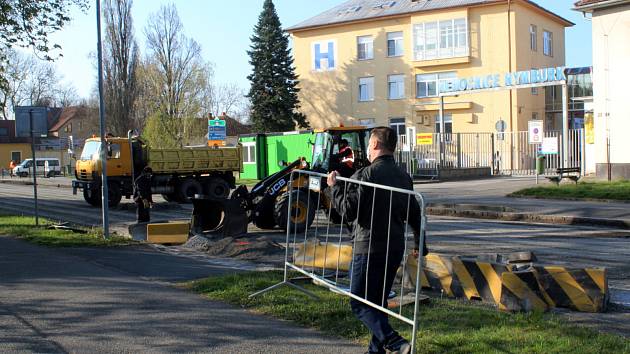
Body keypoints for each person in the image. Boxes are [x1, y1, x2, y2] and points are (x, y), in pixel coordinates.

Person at [327, 127, 427, 354]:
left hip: (368, 247)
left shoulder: (365, 175)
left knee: (360, 303)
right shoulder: (404, 177)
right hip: (393, 247)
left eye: (370, 145)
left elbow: (347, 211)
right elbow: (414, 213)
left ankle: (396, 342)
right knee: (377, 302)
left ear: (374, 145)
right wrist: (421, 243)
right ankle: (375, 350)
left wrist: (334, 189)